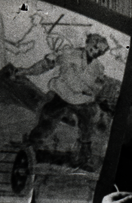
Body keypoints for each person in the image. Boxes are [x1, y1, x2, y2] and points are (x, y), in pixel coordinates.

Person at [16, 33, 111, 169]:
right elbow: (45, 65)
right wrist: (26, 71)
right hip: (60, 95)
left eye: (100, 51)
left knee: (87, 124)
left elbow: (98, 87)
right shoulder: (69, 53)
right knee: (47, 118)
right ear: (88, 43)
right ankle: (30, 150)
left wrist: (93, 94)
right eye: (95, 46)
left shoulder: (98, 68)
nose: (96, 51)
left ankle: (84, 157)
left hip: (81, 101)